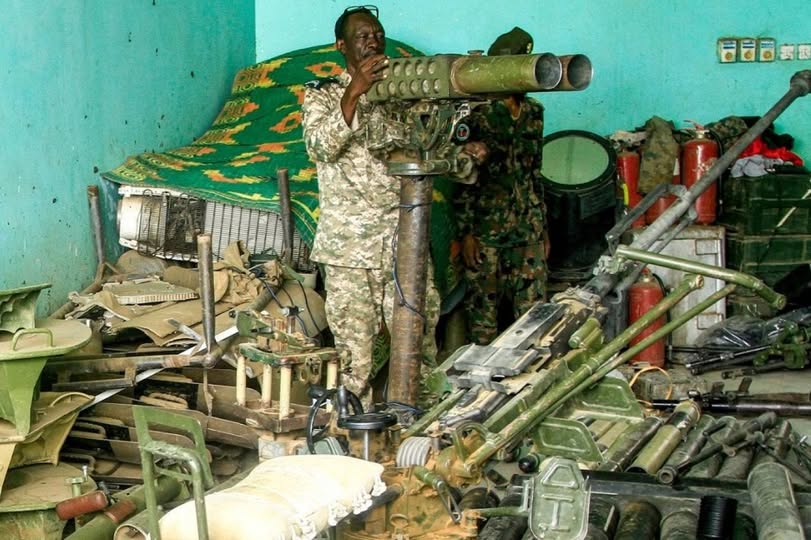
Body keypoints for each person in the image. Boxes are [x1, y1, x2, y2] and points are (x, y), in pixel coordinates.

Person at [301, 6, 442, 408]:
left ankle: (425, 424)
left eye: (378, 34)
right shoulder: (324, 93)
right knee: (354, 357)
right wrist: (355, 91)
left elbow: (428, 143)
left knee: (419, 343)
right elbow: (319, 146)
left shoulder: (404, 93)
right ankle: (351, 431)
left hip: (403, 241)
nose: (373, 41)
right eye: (362, 36)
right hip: (349, 250)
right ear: (341, 45)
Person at [456, 26, 549, 345]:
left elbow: (534, 172)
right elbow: (463, 178)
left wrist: (542, 229)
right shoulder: (477, 113)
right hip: (487, 231)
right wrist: (467, 233)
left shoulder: (534, 112)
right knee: (483, 320)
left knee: (534, 319)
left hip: (528, 230)